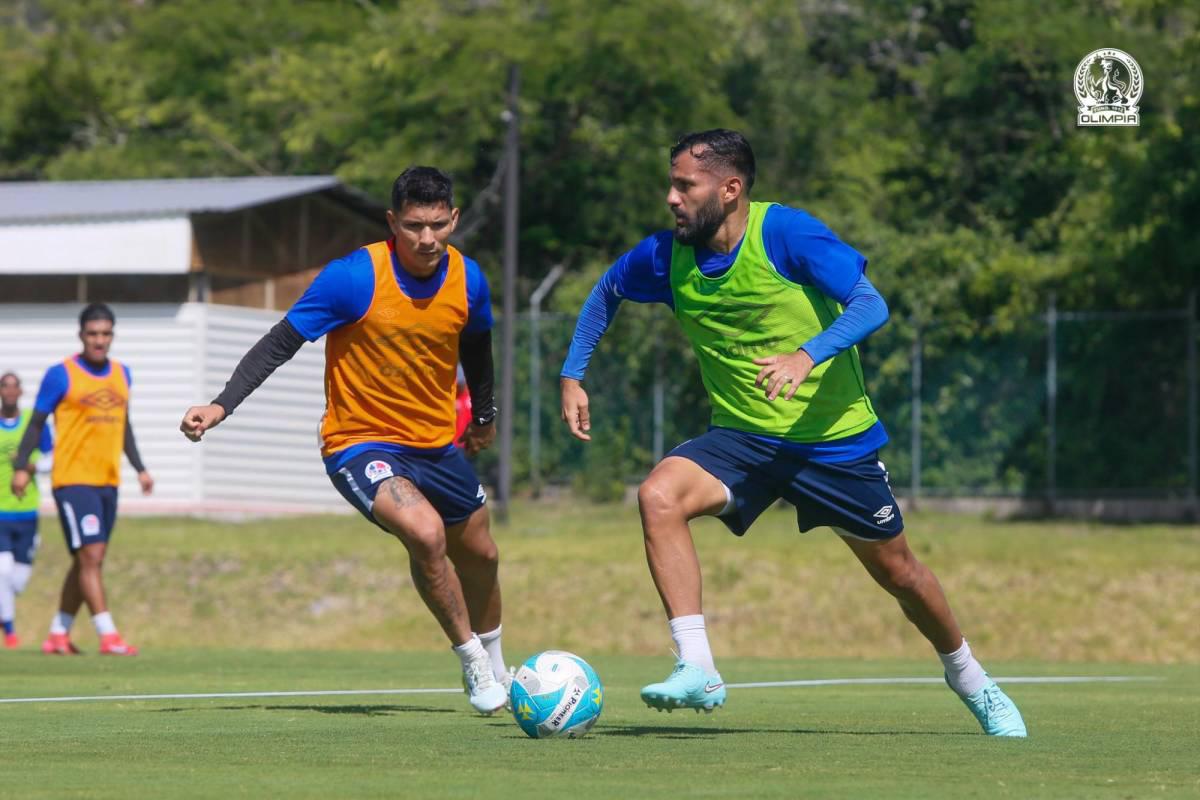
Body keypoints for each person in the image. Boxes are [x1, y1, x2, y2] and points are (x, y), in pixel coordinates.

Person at [559, 129, 1026, 736]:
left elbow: (870, 304)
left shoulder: (786, 234)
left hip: (833, 440)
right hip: (742, 439)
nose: (671, 198)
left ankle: (971, 679)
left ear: (729, 190)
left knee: (901, 574)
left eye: (684, 185)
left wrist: (806, 356)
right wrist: (573, 374)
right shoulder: (664, 256)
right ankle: (697, 666)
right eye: (670, 184)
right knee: (658, 496)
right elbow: (606, 292)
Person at [179, 166, 509, 715]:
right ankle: (472, 659)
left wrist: (484, 414)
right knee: (425, 534)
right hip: (361, 442)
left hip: (435, 445)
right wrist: (221, 405)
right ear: (391, 223)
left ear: (453, 219)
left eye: (436, 226)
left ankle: (500, 663)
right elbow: (279, 341)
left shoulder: (469, 279)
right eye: (412, 226)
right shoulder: (354, 278)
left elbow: (477, 346)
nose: (426, 239)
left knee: (482, 555)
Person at [11, 303, 154, 656]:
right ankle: (108, 635)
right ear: (81, 336)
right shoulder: (61, 374)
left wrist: (140, 468)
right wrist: (20, 465)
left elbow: (125, 427)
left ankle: (58, 633)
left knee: (89, 559)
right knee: (91, 554)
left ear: (112, 336)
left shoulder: (123, 374)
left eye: (105, 334)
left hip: (108, 480)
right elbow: (36, 422)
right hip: (73, 479)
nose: (99, 340)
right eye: (93, 334)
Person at [1, 372, 53, 648]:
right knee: (2, 572)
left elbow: (51, 457)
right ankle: (10, 632)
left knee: (17, 582)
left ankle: (3, 611)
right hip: (0, 512)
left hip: (28, 511)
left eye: (14, 387)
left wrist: (29, 467)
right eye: (4, 387)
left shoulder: (34, 423)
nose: (9, 392)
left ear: (20, 392)